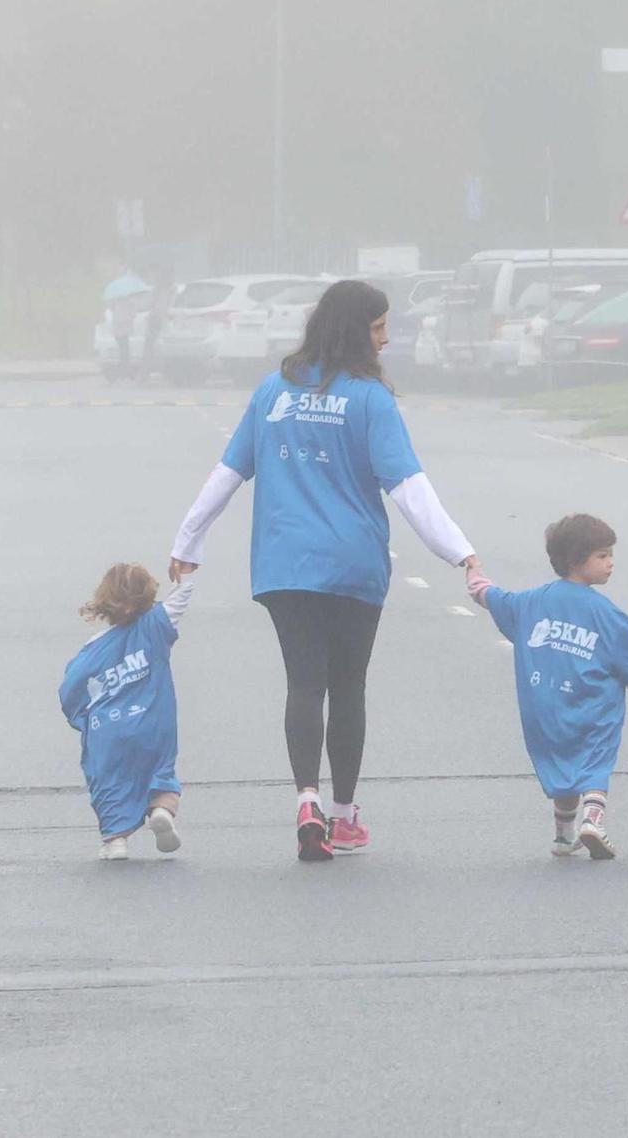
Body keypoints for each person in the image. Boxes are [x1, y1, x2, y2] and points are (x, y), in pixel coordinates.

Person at [170, 279, 480, 863]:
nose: (387, 338)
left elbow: (228, 472)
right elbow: (409, 488)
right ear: (354, 329)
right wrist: (458, 550)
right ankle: (342, 816)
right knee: (349, 686)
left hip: (284, 566)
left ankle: (305, 799)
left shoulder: (272, 392)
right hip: (354, 566)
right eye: (379, 327)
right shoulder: (369, 399)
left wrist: (189, 539)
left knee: (304, 683)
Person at [468, 514, 628, 860]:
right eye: (602, 555)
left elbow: (492, 598)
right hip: (592, 708)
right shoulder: (609, 616)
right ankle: (593, 820)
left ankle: (563, 837)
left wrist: (475, 577)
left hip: (542, 710)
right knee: (594, 761)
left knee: (561, 762)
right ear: (576, 559)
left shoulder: (530, 602)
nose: (611, 562)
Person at [58, 562, 194, 861]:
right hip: (153, 724)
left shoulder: (92, 649)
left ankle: (116, 841)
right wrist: (183, 576)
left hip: (108, 731)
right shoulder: (156, 625)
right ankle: (161, 811)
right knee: (161, 773)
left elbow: (70, 690)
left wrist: (82, 719)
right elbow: (180, 600)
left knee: (109, 784)